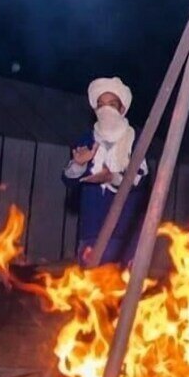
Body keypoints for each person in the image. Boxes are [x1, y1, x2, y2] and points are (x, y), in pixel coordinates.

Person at [63, 77, 148, 266]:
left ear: (122, 109)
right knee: (91, 289)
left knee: (119, 288)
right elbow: (69, 181)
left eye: (112, 104)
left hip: (124, 232)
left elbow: (140, 180)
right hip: (91, 230)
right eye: (100, 105)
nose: (105, 110)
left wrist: (112, 177)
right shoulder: (87, 139)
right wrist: (78, 165)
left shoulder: (136, 139)